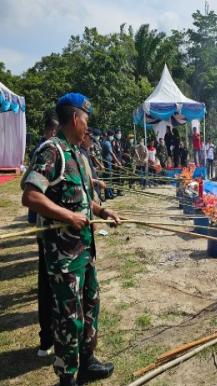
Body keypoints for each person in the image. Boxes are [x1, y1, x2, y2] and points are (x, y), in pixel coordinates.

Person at [21, 92, 120, 386]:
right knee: (68, 317)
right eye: (86, 120)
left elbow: (83, 200)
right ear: (75, 118)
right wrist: (68, 217)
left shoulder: (78, 154)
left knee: (90, 305)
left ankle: (87, 362)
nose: (87, 127)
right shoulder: (53, 151)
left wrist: (102, 211)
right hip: (63, 256)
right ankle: (67, 377)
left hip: (84, 251)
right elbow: (30, 195)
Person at [28, 111, 59, 358]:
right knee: (48, 288)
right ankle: (47, 339)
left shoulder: (66, 151)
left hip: (66, 237)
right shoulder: (48, 151)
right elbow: (30, 193)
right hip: (51, 234)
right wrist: (69, 216)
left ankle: (54, 338)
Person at [101, 130, 120, 199]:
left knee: (109, 179)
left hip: (108, 162)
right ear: (110, 135)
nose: (113, 137)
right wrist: (117, 162)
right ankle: (108, 194)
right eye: (112, 135)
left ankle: (110, 193)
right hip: (107, 163)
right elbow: (112, 153)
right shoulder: (107, 143)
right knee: (108, 179)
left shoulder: (107, 142)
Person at [112, 129, 124, 195]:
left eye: (120, 133)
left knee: (120, 176)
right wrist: (116, 162)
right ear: (116, 134)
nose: (120, 135)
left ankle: (119, 190)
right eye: (119, 133)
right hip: (116, 162)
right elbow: (113, 152)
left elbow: (120, 152)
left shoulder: (119, 141)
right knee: (116, 177)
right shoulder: (114, 141)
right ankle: (115, 190)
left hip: (120, 161)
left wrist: (122, 160)